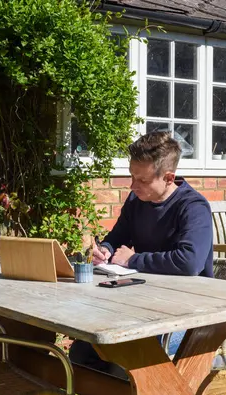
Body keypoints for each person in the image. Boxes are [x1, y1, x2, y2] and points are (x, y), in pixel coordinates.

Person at [69, 131, 214, 377]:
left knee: (125, 361)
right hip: (141, 304)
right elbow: (117, 237)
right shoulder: (137, 200)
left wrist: (133, 259)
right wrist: (106, 249)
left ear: (169, 177)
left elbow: (190, 262)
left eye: (142, 180)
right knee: (81, 353)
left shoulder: (193, 207)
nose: (133, 186)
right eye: (132, 176)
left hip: (188, 313)